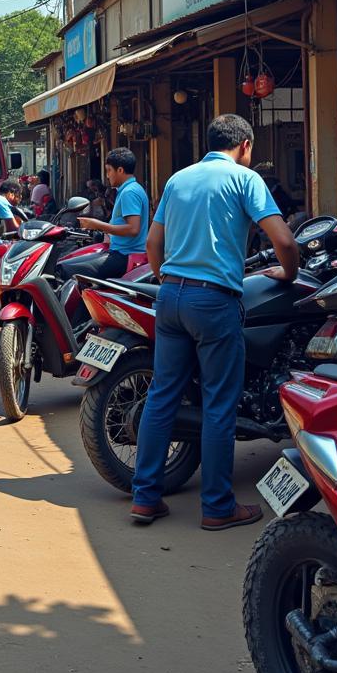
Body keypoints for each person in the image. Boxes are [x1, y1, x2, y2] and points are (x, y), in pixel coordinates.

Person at [131, 114, 299, 531]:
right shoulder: (246, 179)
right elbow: (285, 241)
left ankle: (146, 499)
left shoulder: (178, 179)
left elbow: (154, 242)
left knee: (162, 396)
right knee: (219, 403)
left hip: (170, 297)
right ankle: (218, 506)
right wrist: (289, 273)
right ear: (245, 145)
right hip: (214, 301)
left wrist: (166, 277)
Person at [61, 148, 149, 281]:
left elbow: (133, 229)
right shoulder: (130, 189)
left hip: (125, 255)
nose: (107, 176)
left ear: (120, 170)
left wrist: (97, 224)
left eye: (109, 171)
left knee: (65, 269)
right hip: (121, 251)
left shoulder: (129, 192)